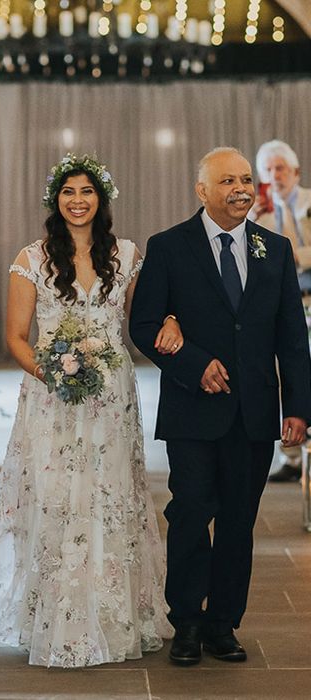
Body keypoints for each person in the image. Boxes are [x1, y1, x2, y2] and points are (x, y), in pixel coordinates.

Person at [0, 155, 173, 667]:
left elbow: (149, 313)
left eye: (87, 191)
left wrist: (173, 318)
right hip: (52, 398)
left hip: (112, 397)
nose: (77, 200)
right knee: (54, 496)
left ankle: (113, 610)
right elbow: (15, 338)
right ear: (55, 201)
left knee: (109, 493)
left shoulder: (128, 255)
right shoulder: (33, 259)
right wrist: (55, 373)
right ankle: (45, 609)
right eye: (68, 192)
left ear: (101, 199)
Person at [130, 147, 311, 667]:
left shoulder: (273, 249)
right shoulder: (168, 246)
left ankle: (222, 623)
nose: (240, 188)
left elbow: (292, 337)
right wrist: (191, 362)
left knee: (238, 521)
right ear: (201, 191)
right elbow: (143, 324)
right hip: (192, 409)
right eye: (227, 180)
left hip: (254, 413)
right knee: (189, 513)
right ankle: (186, 621)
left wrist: (298, 407)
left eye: (246, 180)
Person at [251, 140, 311, 482]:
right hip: (277, 306)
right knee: (276, 373)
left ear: (296, 172)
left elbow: (284, 256)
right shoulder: (258, 211)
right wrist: (253, 218)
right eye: (268, 170)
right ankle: (289, 455)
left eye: (281, 169)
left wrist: (293, 257)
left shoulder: (308, 202)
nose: (275, 176)